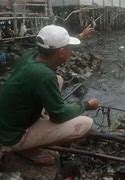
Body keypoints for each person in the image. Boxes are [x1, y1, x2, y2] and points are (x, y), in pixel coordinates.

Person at [0, 24, 98, 165]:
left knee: (58, 79)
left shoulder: (32, 54)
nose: (71, 52)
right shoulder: (44, 75)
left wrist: (80, 36)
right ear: (62, 52)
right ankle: (25, 147)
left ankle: (36, 124)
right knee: (86, 124)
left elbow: (55, 47)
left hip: (7, 120)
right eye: (69, 49)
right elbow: (59, 115)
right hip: (12, 135)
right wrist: (86, 105)